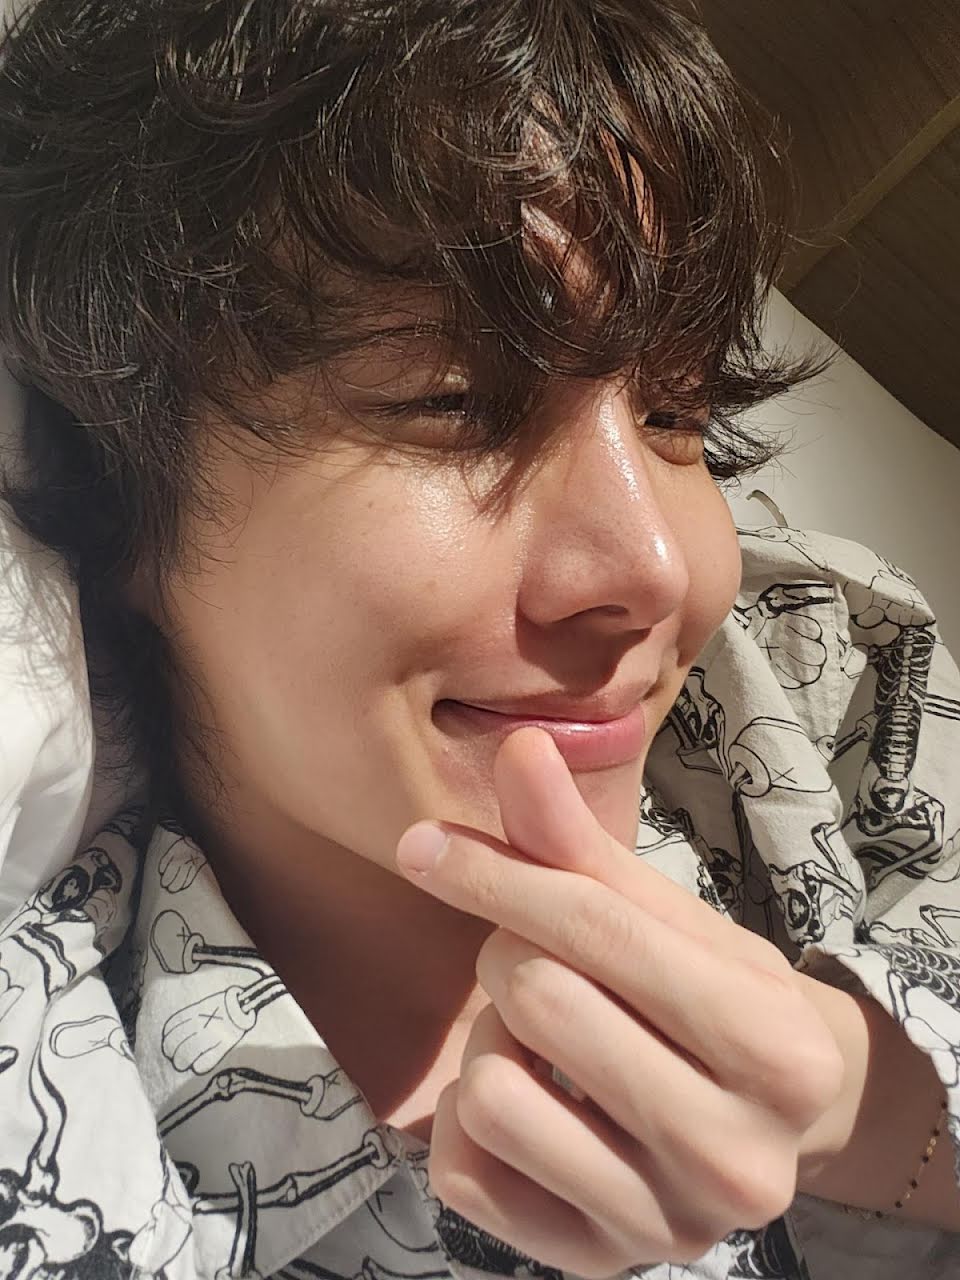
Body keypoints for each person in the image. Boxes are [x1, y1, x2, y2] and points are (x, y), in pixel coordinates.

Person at [0, 1, 958, 1277]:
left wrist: (867, 1105)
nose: (656, 567)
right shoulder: (57, 1115)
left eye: (678, 410)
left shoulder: (835, 668)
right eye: (456, 402)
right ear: (126, 502)